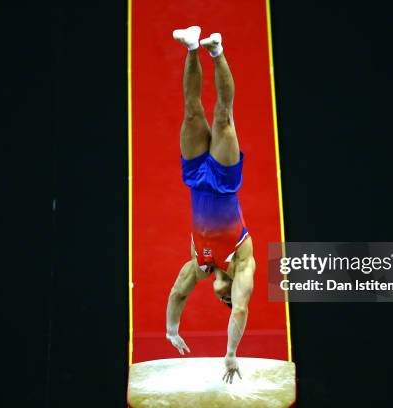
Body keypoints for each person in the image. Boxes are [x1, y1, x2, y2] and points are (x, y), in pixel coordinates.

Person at [165, 26, 256, 384]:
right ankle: (217, 50)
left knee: (191, 112)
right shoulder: (244, 262)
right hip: (224, 180)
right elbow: (242, 308)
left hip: (194, 179)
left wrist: (172, 330)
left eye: (222, 299)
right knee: (223, 115)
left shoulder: (200, 266)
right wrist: (231, 353)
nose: (222, 297)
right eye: (225, 298)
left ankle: (191, 47)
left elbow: (177, 292)